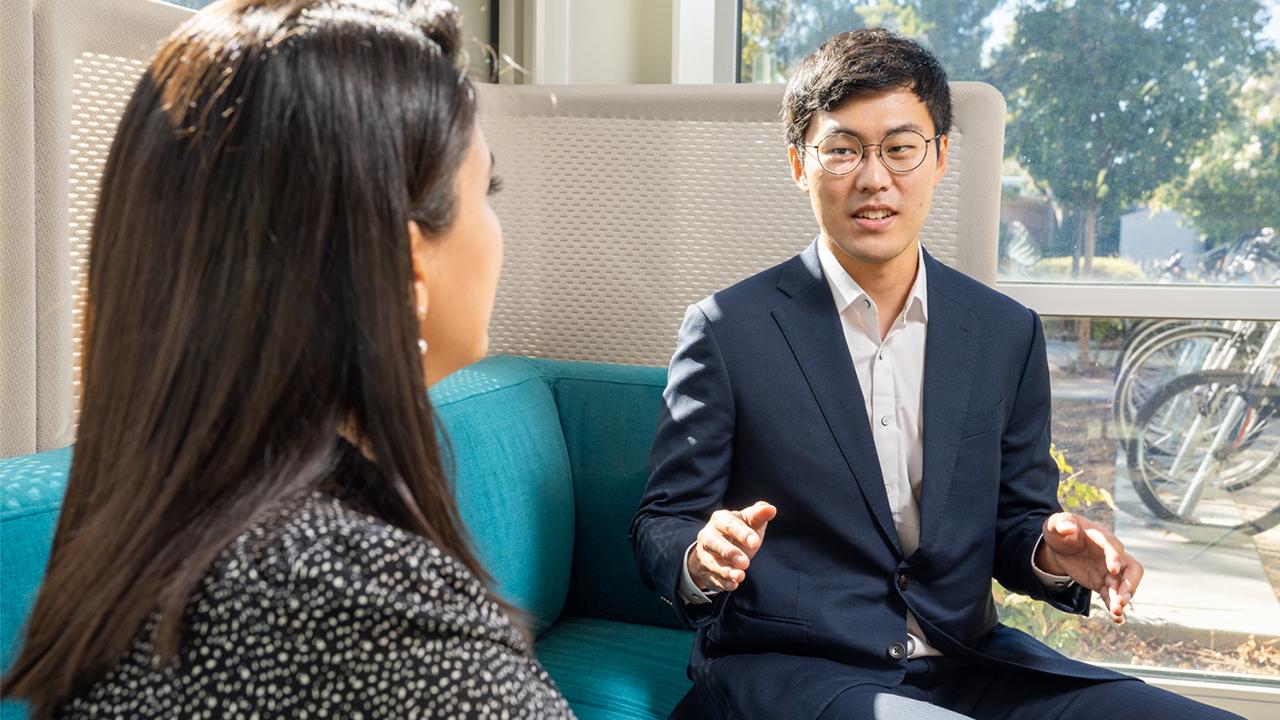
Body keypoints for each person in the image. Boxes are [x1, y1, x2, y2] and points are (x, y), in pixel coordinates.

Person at [631, 28, 1242, 720]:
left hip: (972, 664)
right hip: (795, 674)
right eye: (842, 149)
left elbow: (1017, 522)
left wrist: (1049, 550)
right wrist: (699, 554)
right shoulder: (727, 330)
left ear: (941, 156)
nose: (874, 177)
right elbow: (662, 522)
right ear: (800, 164)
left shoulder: (1005, 332)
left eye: (900, 148)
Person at [1, 1, 573, 718]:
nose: (495, 230)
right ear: (404, 266)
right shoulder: (372, 616)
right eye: (484, 189)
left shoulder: (147, 541)